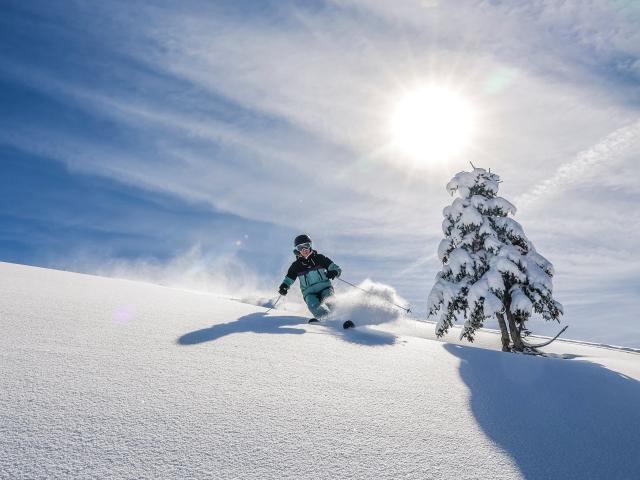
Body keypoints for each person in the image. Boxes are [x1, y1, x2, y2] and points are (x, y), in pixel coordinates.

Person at [278, 234, 341, 321]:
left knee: (330, 299)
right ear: (297, 250)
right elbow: (289, 278)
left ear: (310, 246)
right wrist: (284, 286)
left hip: (325, 288)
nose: (304, 250)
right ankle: (326, 320)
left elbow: (335, 268)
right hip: (309, 293)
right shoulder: (296, 266)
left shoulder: (320, 258)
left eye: (306, 246)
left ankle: (340, 317)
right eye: (300, 247)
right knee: (312, 305)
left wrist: (334, 272)